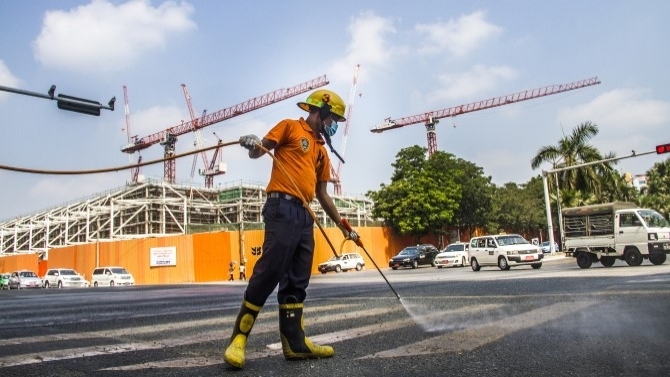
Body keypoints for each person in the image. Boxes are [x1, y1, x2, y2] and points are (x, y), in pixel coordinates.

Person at [223, 89, 360, 369]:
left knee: (298, 279)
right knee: (271, 270)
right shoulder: (289, 126)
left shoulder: (321, 150)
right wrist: (252, 144)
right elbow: (258, 150)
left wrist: (344, 225)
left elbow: (323, 194)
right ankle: (239, 338)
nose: (334, 124)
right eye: (333, 118)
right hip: (281, 207)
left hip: (305, 213)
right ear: (320, 111)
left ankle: (295, 343)